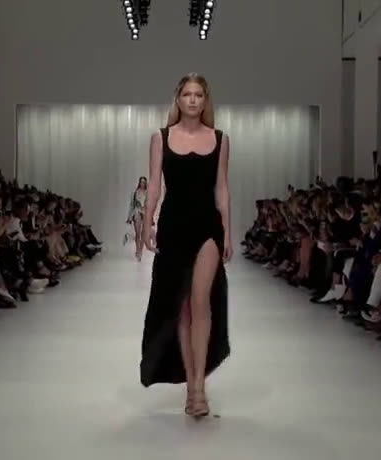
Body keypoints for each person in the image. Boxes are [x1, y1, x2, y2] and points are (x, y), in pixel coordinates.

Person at [140, 73, 232, 418]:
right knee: (181, 307)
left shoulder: (220, 139)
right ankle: (192, 384)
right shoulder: (160, 138)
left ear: (206, 100)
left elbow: (222, 187)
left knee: (200, 302)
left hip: (207, 226)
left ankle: (199, 390)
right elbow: (154, 186)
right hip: (173, 225)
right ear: (177, 99)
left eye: (199, 94)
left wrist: (228, 231)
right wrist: (147, 222)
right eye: (187, 94)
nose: (193, 100)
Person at [126, 176, 148, 261]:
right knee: (138, 233)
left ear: (145, 183)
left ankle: (140, 251)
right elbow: (131, 205)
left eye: (144, 182)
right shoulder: (135, 192)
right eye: (141, 182)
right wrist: (129, 217)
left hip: (145, 214)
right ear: (139, 182)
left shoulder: (148, 193)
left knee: (143, 234)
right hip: (137, 214)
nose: (142, 183)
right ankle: (138, 250)